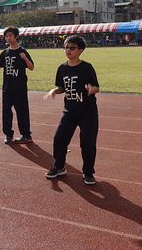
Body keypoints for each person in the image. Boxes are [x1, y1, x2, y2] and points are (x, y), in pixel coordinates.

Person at [44, 35, 100, 185]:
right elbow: (62, 87)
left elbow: (96, 87)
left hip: (88, 113)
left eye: (72, 48)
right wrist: (54, 91)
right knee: (59, 139)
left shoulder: (87, 67)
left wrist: (90, 90)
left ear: (80, 51)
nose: (68, 50)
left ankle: (88, 172)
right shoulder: (62, 68)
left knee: (87, 143)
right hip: (69, 112)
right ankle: (59, 166)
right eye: (66, 47)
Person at [0, 26, 34, 144]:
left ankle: (26, 135)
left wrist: (25, 58)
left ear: (16, 36)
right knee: (6, 112)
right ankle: (8, 134)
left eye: (10, 36)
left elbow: (31, 67)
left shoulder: (22, 51)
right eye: (6, 36)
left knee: (22, 112)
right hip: (7, 88)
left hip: (20, 88)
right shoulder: (5, 52)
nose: (8, 38)